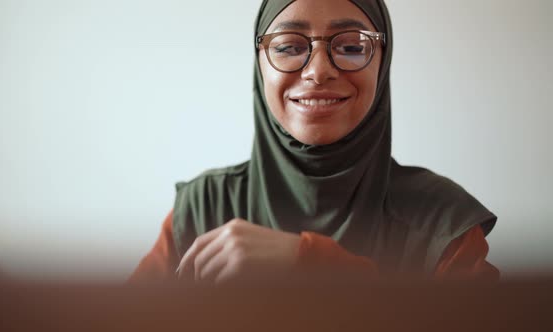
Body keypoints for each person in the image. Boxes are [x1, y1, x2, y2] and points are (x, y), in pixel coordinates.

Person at [130, 0, 499, 284]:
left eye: (352, 47)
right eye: (289, 46)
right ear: (259, 65)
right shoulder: (205, 209)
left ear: (383, 63)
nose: (318, 70)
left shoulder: (439, 220)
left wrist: (309, 262)